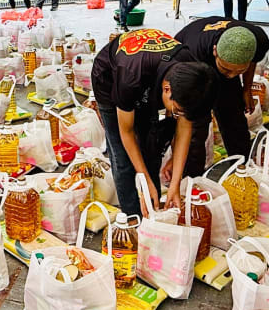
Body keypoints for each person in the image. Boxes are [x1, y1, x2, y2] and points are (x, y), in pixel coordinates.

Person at [91, 28, 215, 216]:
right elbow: (127, 133)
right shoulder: (131, 76)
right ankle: (132, 217)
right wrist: (144, 181)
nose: (177, 115)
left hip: (149, 77)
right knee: (122, 157)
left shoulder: (192, 73)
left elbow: (184, 129)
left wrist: (175, 185)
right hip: (109, 81)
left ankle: (153, 210)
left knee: (150, 146)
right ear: (167, 89)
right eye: (177, 111)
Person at [173, 18, 269, 175]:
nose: (232, 76)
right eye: (227, 70)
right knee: (198, 124)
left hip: (222, 59)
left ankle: (242, 168)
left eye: (238, 71)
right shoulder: (192, 50)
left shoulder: (258, 40)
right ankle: (191, 179)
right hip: (194, 62)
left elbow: (250, 63)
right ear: (215, 50)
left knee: (233, 115)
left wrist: (246, 90)